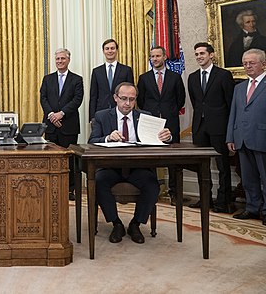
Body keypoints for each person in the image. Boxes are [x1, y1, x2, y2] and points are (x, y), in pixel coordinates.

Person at [89, 82, 171, 244]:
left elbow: (160, 139)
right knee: (98, 183)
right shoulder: (102, 116)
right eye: (124, 99)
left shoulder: (145, 116)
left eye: (132, 100)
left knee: (152, 185)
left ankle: (136, 224)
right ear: (115, 98)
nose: (127, 103)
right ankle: (116, 223)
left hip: (137, 168)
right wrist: (108, 138)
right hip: (111, 167)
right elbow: (92, 141)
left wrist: (167, 137)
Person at [187, 42, 235, 213]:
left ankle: (224, 201)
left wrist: (231, 131)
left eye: (202, 53)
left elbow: (230, 104)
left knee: (222, 166)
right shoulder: (192, 77)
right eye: (197, 54)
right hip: (200, 127)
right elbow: (196, 103)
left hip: (219, 127)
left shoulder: (223, 75)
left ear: (211, 55)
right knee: (202, 166)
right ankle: (205, 199)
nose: (199, 57)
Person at [137, 46, 185, 203]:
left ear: (164, 57)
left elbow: (180, 99)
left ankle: (174, 192)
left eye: (158, 56)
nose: (155, 59)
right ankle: (152, 190)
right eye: (152, 56)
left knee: (173, 160)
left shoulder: (175, 77)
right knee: (150, 158)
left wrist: (168, 111)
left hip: (170, 122)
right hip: (149, 124)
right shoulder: (144, 78)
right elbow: (141, 101)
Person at [226, 49, 266, 225]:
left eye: (252, 63)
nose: (247, 66)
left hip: (262, 138)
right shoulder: (239, 87)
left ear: (263, 64)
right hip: (241, 138)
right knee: (248, 179)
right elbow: (233, 113)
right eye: (245, 63)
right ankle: (252, 208)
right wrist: (230, 137)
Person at [40, 48, 84, 200]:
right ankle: (52, 187)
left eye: (62, 59)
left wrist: (62, 114)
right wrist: (52, 115)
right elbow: (43, 99)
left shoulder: (77, 79)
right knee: (51, 158)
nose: (59, 61)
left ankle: (70, 189)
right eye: (57, 59)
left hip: (69, 126)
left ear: (68, 60)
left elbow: (77, 100)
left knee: (69, 160)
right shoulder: (47, 79)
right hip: (51, 126)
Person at [89, 39, 134, 121]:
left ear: (117, 50)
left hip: (121, 112)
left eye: (112, 48)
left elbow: (131, 93)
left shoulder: (126, 70)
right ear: (103, 51)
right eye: (107, 48)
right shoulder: (96, 71)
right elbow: (93, 95)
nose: (110, 51)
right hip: (101, 112)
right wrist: (92, 117)